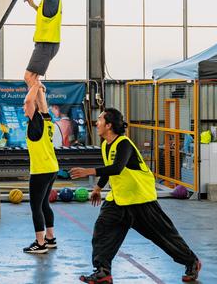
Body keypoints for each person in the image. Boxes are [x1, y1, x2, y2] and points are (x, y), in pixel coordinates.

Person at [70, 108, 201, 283]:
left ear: (109, 125)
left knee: (163, 235)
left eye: (100, 119)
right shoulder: (105, 145)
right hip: (119, 199)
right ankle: (103, 271)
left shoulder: (124, 144)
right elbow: (110, 170)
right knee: (102, 230)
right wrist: (98, 187)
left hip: (140, 199)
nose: (96, 122)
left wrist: (89, 171)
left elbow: (117, 167)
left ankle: (191, 261)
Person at [22, 84, 59, 254]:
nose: (24, 106)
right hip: (51, 168)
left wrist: (34, 83)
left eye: (26, 106)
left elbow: (29, 100)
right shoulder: (47, 119)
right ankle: (50, 238)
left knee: (36, 207)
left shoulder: (36, 123)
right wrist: (41, 91)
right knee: (44, 204)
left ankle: (40, 243)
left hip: (41, 170)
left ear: (32, 109)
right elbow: (41, 105)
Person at [23, 0, 62, 90]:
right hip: (45, 44)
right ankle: (42, 109)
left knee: (29, 77)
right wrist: (34, 5)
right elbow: (47, 15)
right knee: (33, 79)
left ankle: (42, 109)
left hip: (47, 44)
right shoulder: (47, 1)